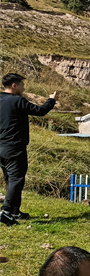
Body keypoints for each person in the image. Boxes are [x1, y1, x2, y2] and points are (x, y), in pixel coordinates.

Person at [0, 73, 58, 226]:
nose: (24, 88)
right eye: (22, 84)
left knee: (10, 179)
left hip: (1, 147)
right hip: (14, 147)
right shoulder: (17, 101)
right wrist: (51, 100)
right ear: (14, 85)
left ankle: (14, 211)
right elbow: (40, 111)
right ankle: (6, 211)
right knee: (16, 179)